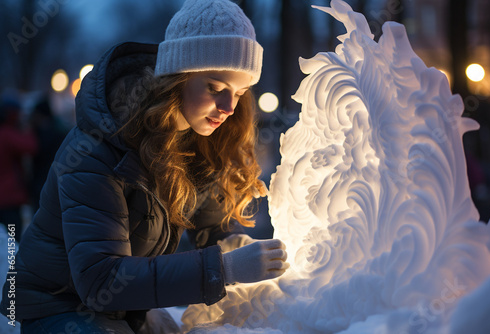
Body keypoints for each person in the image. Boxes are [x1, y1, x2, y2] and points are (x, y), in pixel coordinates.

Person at [0, 0, 289, 333]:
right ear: (177, 78)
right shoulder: (99, 146)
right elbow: (100, 278)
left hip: (120, 308)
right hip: (57, 306)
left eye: (240, 92)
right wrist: (223, 268)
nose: (228, 107)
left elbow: (209, 229)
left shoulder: (195, 139)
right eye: (215, 87)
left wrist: (232, 245)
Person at [0, 95, 38, 242]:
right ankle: (11, 265)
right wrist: (28, 128)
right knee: (11, 241)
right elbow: (31, 146)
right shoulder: (7, 134)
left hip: (5, 198)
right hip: (9, 199)